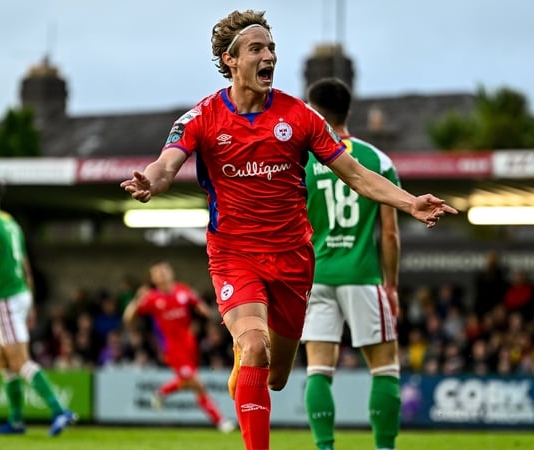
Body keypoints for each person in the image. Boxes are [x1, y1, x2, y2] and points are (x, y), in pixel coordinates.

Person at [120, 10, 456, 450]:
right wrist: (151, 181)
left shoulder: (299, 117)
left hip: (294, 260)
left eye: (272, 48)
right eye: (257, 48)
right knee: (255, 346)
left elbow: (355, 175)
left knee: (275, 377)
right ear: (231, 60)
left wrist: (410, 201)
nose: (269, 56)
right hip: (234, 256)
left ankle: (247, 368)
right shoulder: (201, 117)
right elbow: (167, 164)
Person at [300, 77, 402, 450]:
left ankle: (325, 447)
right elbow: (389, 235)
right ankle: (384, 448)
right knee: (385, 369)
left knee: (318, 371)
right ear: (347, 112)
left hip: (318, 276)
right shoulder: (377, 159)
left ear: (314, 112)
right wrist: (390, 287)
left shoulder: (302, 160)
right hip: (363, 275)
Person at [0, 176, 76, 437]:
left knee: (19, 361)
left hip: (5, 296)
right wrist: (31, 299)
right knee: (3, 358)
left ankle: (59, 410)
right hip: (21, 294)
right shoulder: (10, 222)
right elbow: (26, 261)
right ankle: (15, 421)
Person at [123, 261, 235, 433]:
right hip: (172, 348)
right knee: (197, 384)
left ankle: (161, 392)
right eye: (158, 272)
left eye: (165, 270)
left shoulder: (183, 290)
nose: (163, 274)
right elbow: (129, 319)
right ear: (153, 279)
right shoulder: (152, 298)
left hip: (190, 345)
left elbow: (202, 309)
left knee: (189, 382)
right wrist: (137, 301)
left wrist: (213, 311)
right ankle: (221, 421)